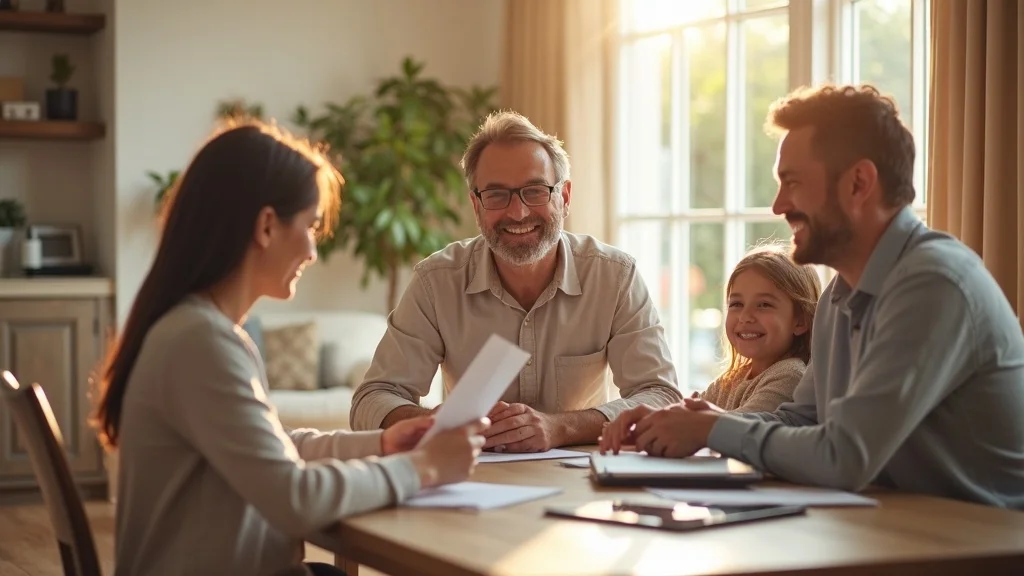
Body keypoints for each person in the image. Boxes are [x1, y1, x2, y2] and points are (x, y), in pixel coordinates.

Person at [600, 83, 1024, 510]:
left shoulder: (933, 284)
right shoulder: (841, 293)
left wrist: (711, 430)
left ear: (859, 183)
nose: (779, 205)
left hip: (983, 544)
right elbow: (799, 420)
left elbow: (843, 457)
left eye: (793, 182)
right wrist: (685, 423)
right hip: (903, 529)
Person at [92, 119, 488, 576]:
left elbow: (273, 450)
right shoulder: (200, 343)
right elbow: (294, 498)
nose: (312, 252)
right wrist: (423, 468)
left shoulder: (198, 331)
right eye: (311, 227)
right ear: (266, 226)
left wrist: (382, 442)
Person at [350, 110, 683, 452]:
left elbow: (662, 396)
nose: (518, 212)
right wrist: (429, 424)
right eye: (496, 195)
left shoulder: (615, 276)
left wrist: (562, 427)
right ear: (476, 206)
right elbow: (371, 399)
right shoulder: (436, 282)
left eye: (535, 191)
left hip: (581, 485)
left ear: (564, 197)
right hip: (471, 480)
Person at [694, 244, 820, 413]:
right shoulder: (733, 379)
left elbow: (740, 430)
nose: (745, 317)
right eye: (737, 304)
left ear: (800, 321)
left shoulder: (789, 374)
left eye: (763, 305)